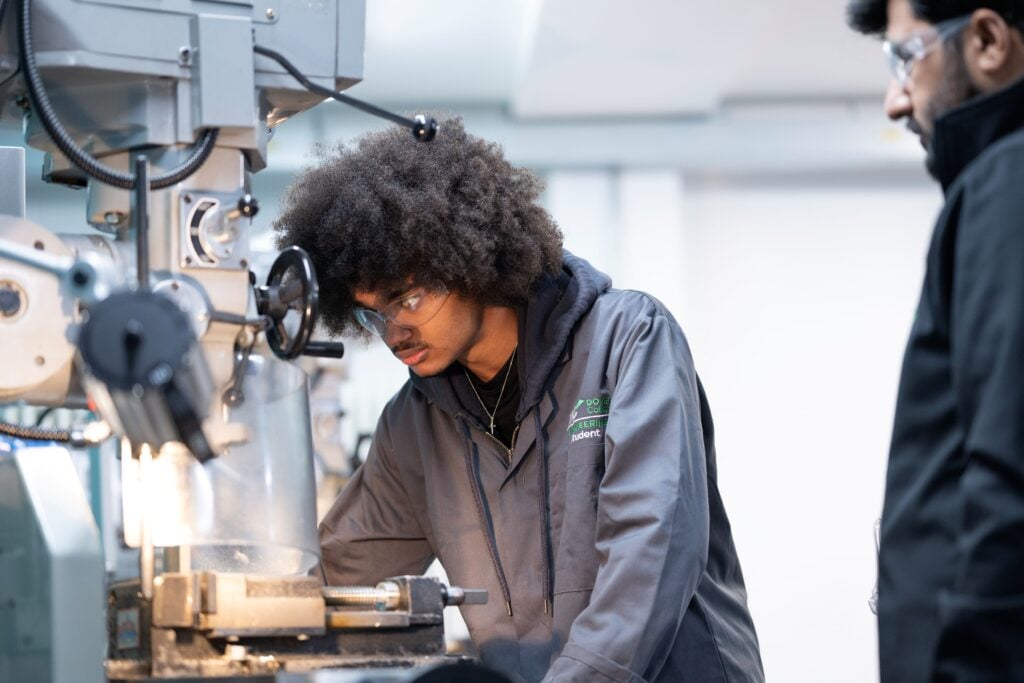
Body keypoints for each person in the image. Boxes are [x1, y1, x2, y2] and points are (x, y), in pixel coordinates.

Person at [273, 118, 763, 683]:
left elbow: (651, 549)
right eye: (372, 315)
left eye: (407, 300)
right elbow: (338, 568)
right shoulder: (415, 424)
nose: (394, 333)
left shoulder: (628, 340)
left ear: (470, 262)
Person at [847, 1, 1024, 679]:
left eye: (906, 58)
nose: (896, 101)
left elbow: (1008, 478)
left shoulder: (1006, 183)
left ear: (988, 40)